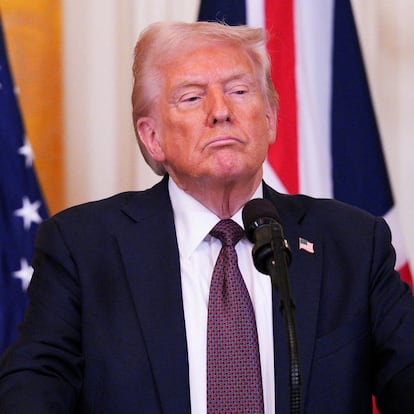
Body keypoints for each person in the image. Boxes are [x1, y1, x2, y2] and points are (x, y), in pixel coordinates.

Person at [1, 21, 414, 414]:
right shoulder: (83, 247)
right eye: (192, 97)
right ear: (152, 137)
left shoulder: (352, 242)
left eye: (239, 91)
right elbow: (36, 384)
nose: (221, 112)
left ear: (269, 120)